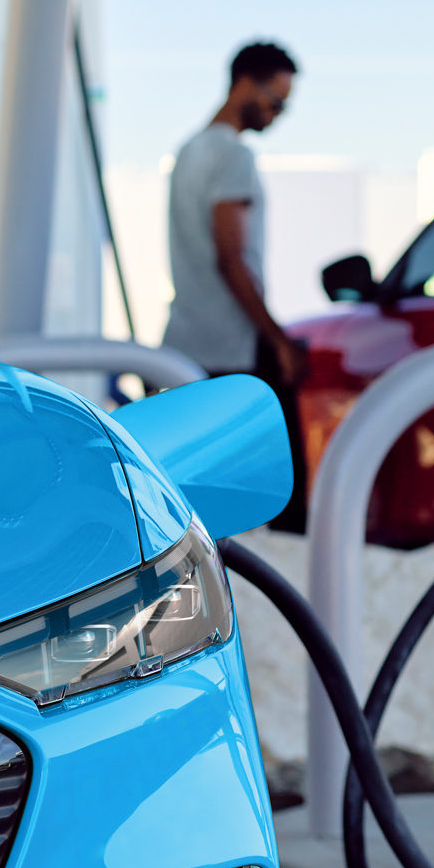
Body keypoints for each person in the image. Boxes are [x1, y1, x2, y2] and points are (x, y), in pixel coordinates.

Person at [161, 40, 310, 529]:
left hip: (185, 341)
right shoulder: (233, 156)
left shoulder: (188, 151)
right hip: (233, 352)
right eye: (277, 100)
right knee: (281, 508)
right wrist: (277, 338)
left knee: (199, 511)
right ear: (247, 83)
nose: (279, 114)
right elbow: (231, 259)